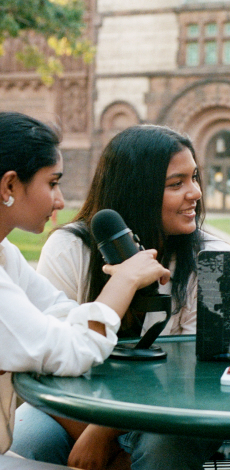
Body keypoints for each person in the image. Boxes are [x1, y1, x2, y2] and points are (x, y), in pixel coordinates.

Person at [10, 124, 230, 469]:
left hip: (174, 406)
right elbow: (56, 350)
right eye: (176, 183)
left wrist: (102, 434)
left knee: (162, 448)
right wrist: (94, 432)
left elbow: (189, 374)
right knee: (30, 439)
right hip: (80, 403)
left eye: (195, 178)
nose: (195, 193)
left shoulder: (211, 258)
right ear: (135, 191)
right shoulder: (70, 247)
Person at [0, 112, 170, 457]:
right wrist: (125, 278)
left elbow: (59, 311)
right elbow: (71, 351)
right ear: (9, 186)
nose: (60, 200)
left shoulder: (6, 254)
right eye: (52, 183)